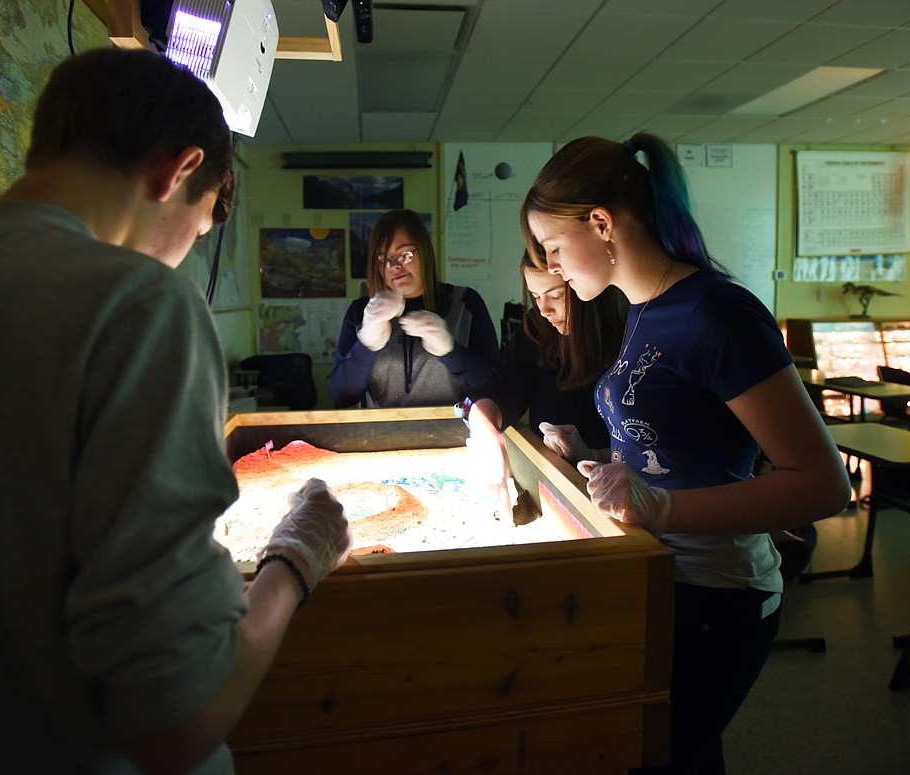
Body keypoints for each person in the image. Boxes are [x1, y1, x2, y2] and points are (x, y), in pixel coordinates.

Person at [0, 47, 351, 774]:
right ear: (179, 171)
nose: (182, 255)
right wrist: (296, 559)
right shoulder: (141, 303)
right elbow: (177, 720)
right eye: (201, 225)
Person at [520, 133, 851, 775]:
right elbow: (672, 440)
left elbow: (822, 484)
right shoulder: (640, 309)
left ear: (601, 222)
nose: (553, 269)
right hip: (661, 576)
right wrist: (593, 455)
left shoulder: (716, 314)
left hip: (717, 596)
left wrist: (662, 507)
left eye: (556, 249)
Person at [327, 209, 499, 408]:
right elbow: (341, 395)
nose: (394, 266)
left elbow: (495, 386)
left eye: (404, 254)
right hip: (378, 435)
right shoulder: (361, 312)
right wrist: (367, 345)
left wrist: (450, 351)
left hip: (452, 434)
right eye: (383, 259)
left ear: (424, 252)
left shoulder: (466, 303)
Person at [473, 253, 626, 451]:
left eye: (556, 296)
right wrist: (484, 426)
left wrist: (593, 457)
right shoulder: (538, 326)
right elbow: (504, 386)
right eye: (536, 296)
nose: (544, 310)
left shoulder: (627, 334)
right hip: (550, 472)